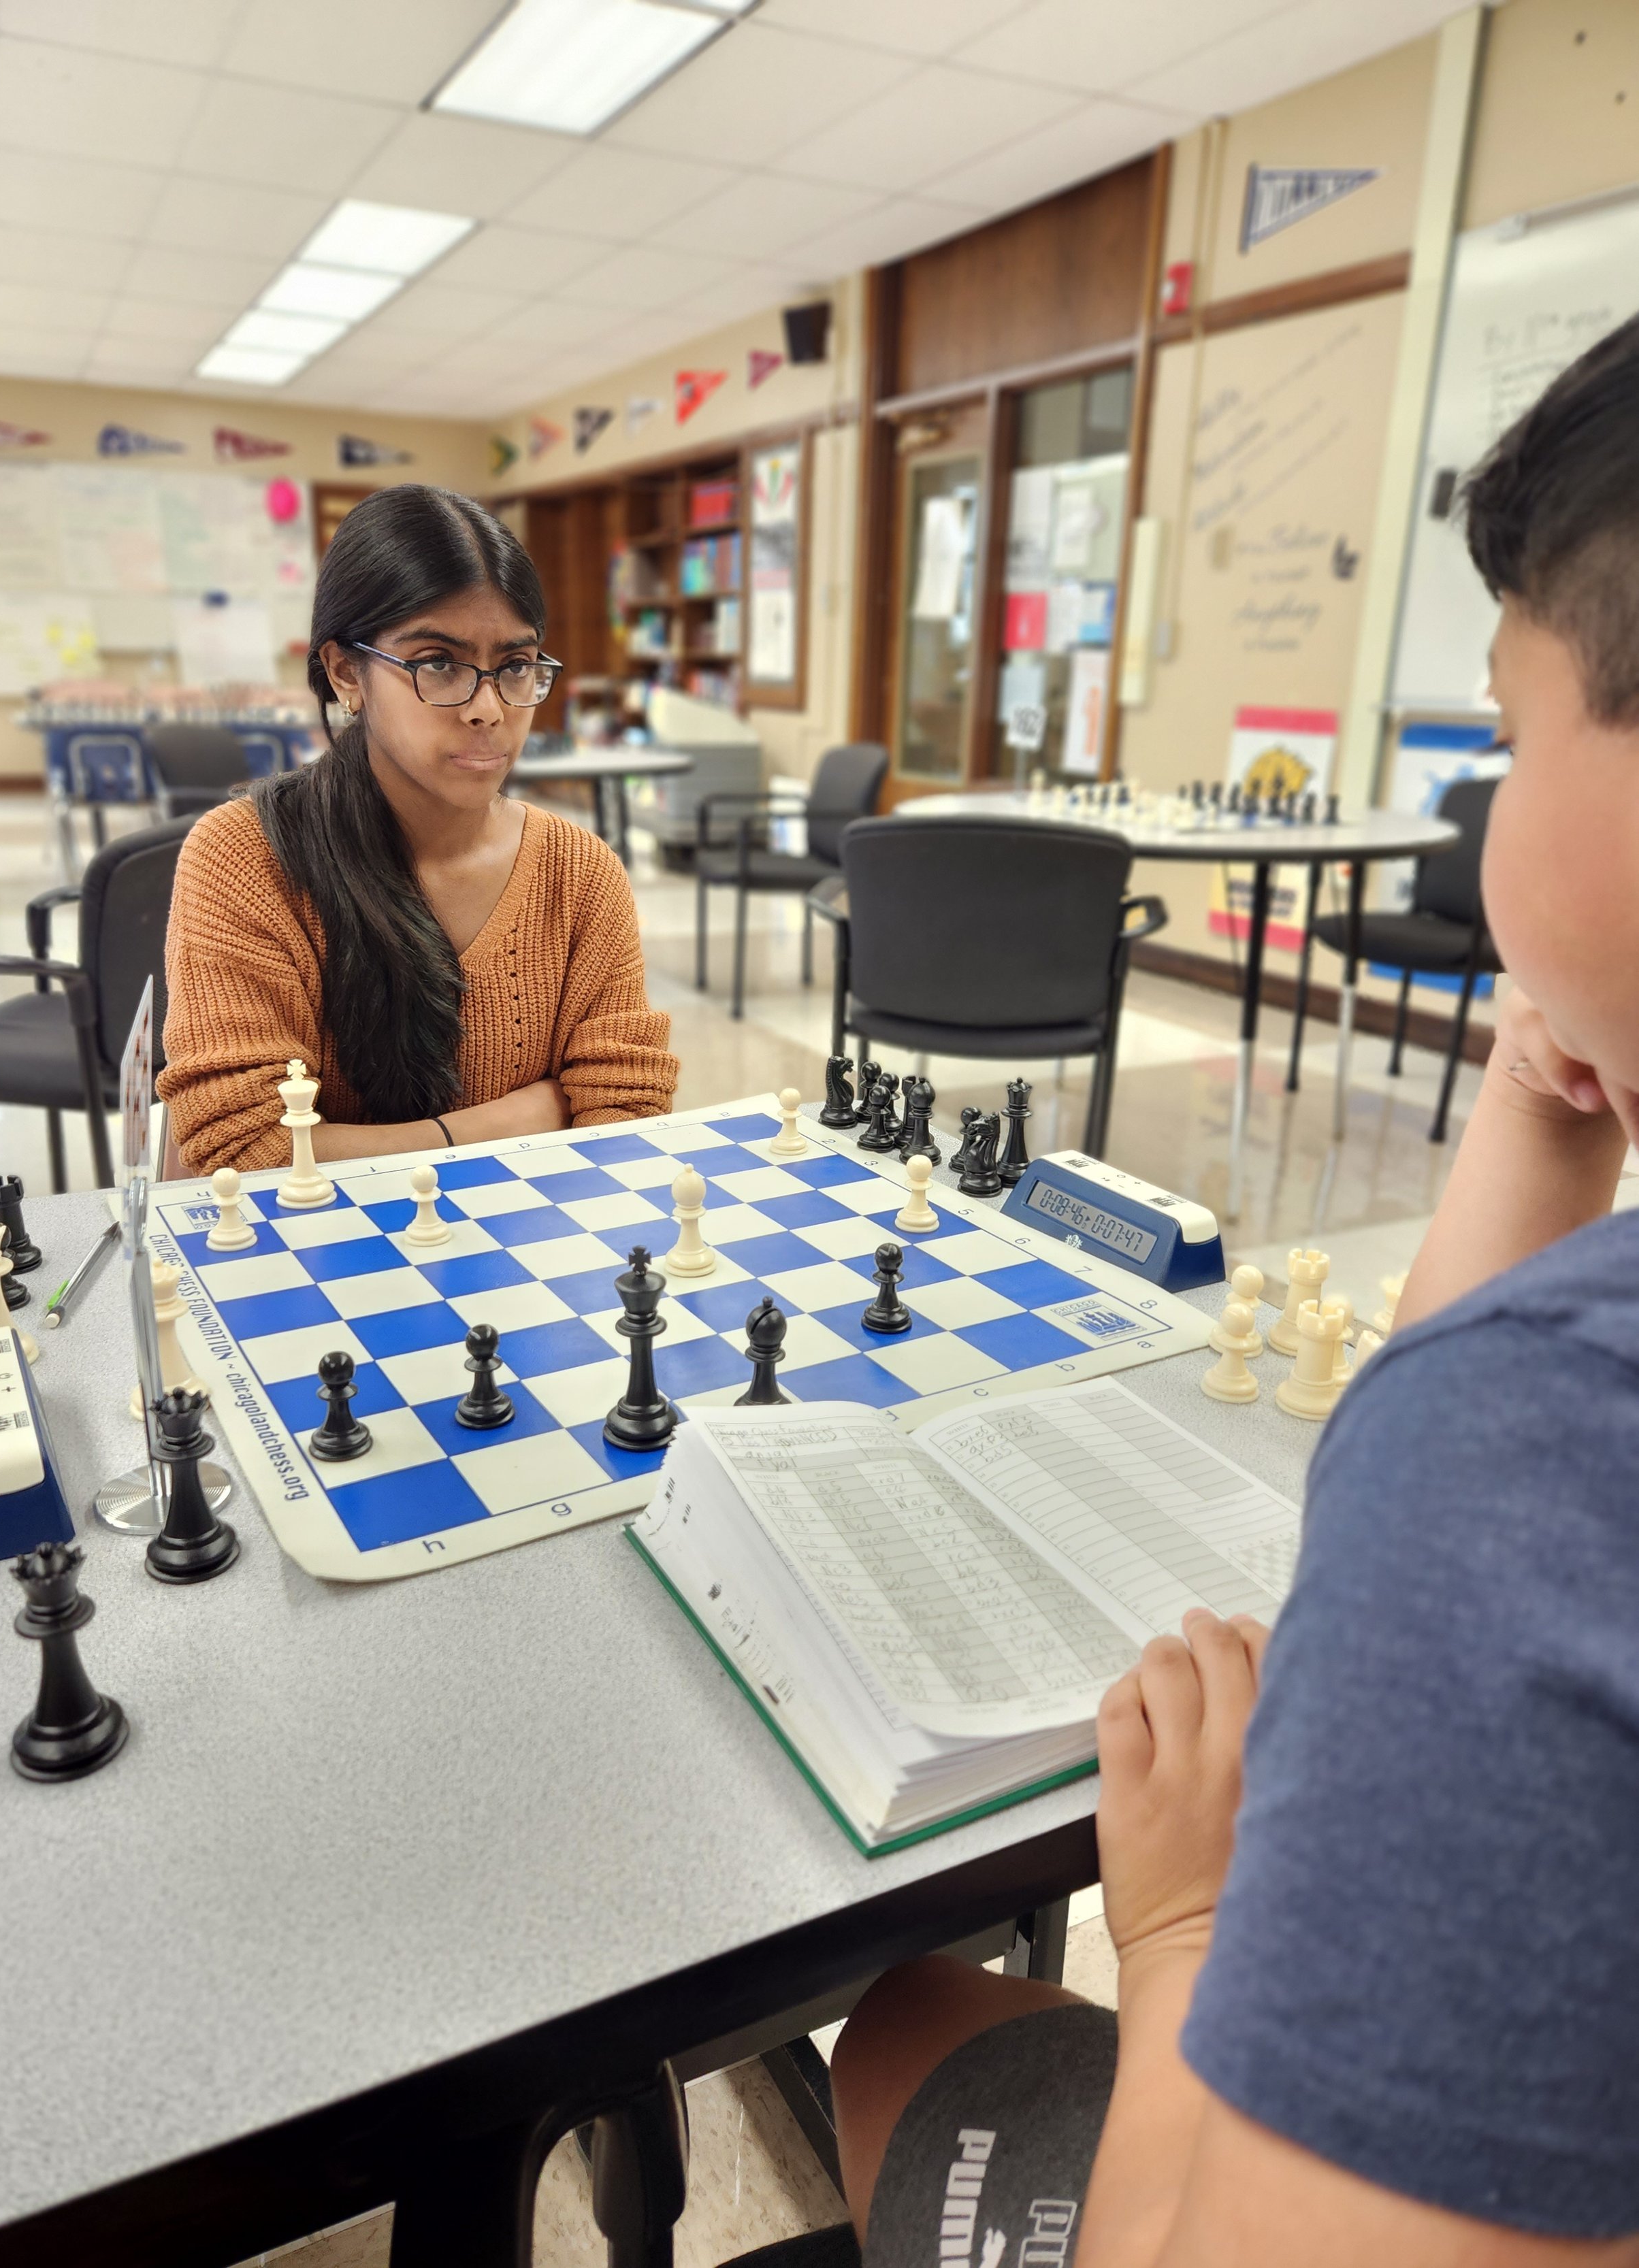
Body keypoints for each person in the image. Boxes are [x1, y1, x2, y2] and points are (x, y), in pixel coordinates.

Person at [832, 313, 1639, 2268]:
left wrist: (1180, 1920)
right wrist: (1549, 1105)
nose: (1489, 816)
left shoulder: (1535, 1454)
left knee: (897, 2023)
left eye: (1510, 742)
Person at [160, 484, 677, 1172]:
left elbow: (626, 1121)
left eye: (515, 666)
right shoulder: (246, 858)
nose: (488, 708)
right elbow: (242, 1152)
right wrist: (526, 1115)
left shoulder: (579, 871)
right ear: (346, 672)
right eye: (438, 662)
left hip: (535, 1251)